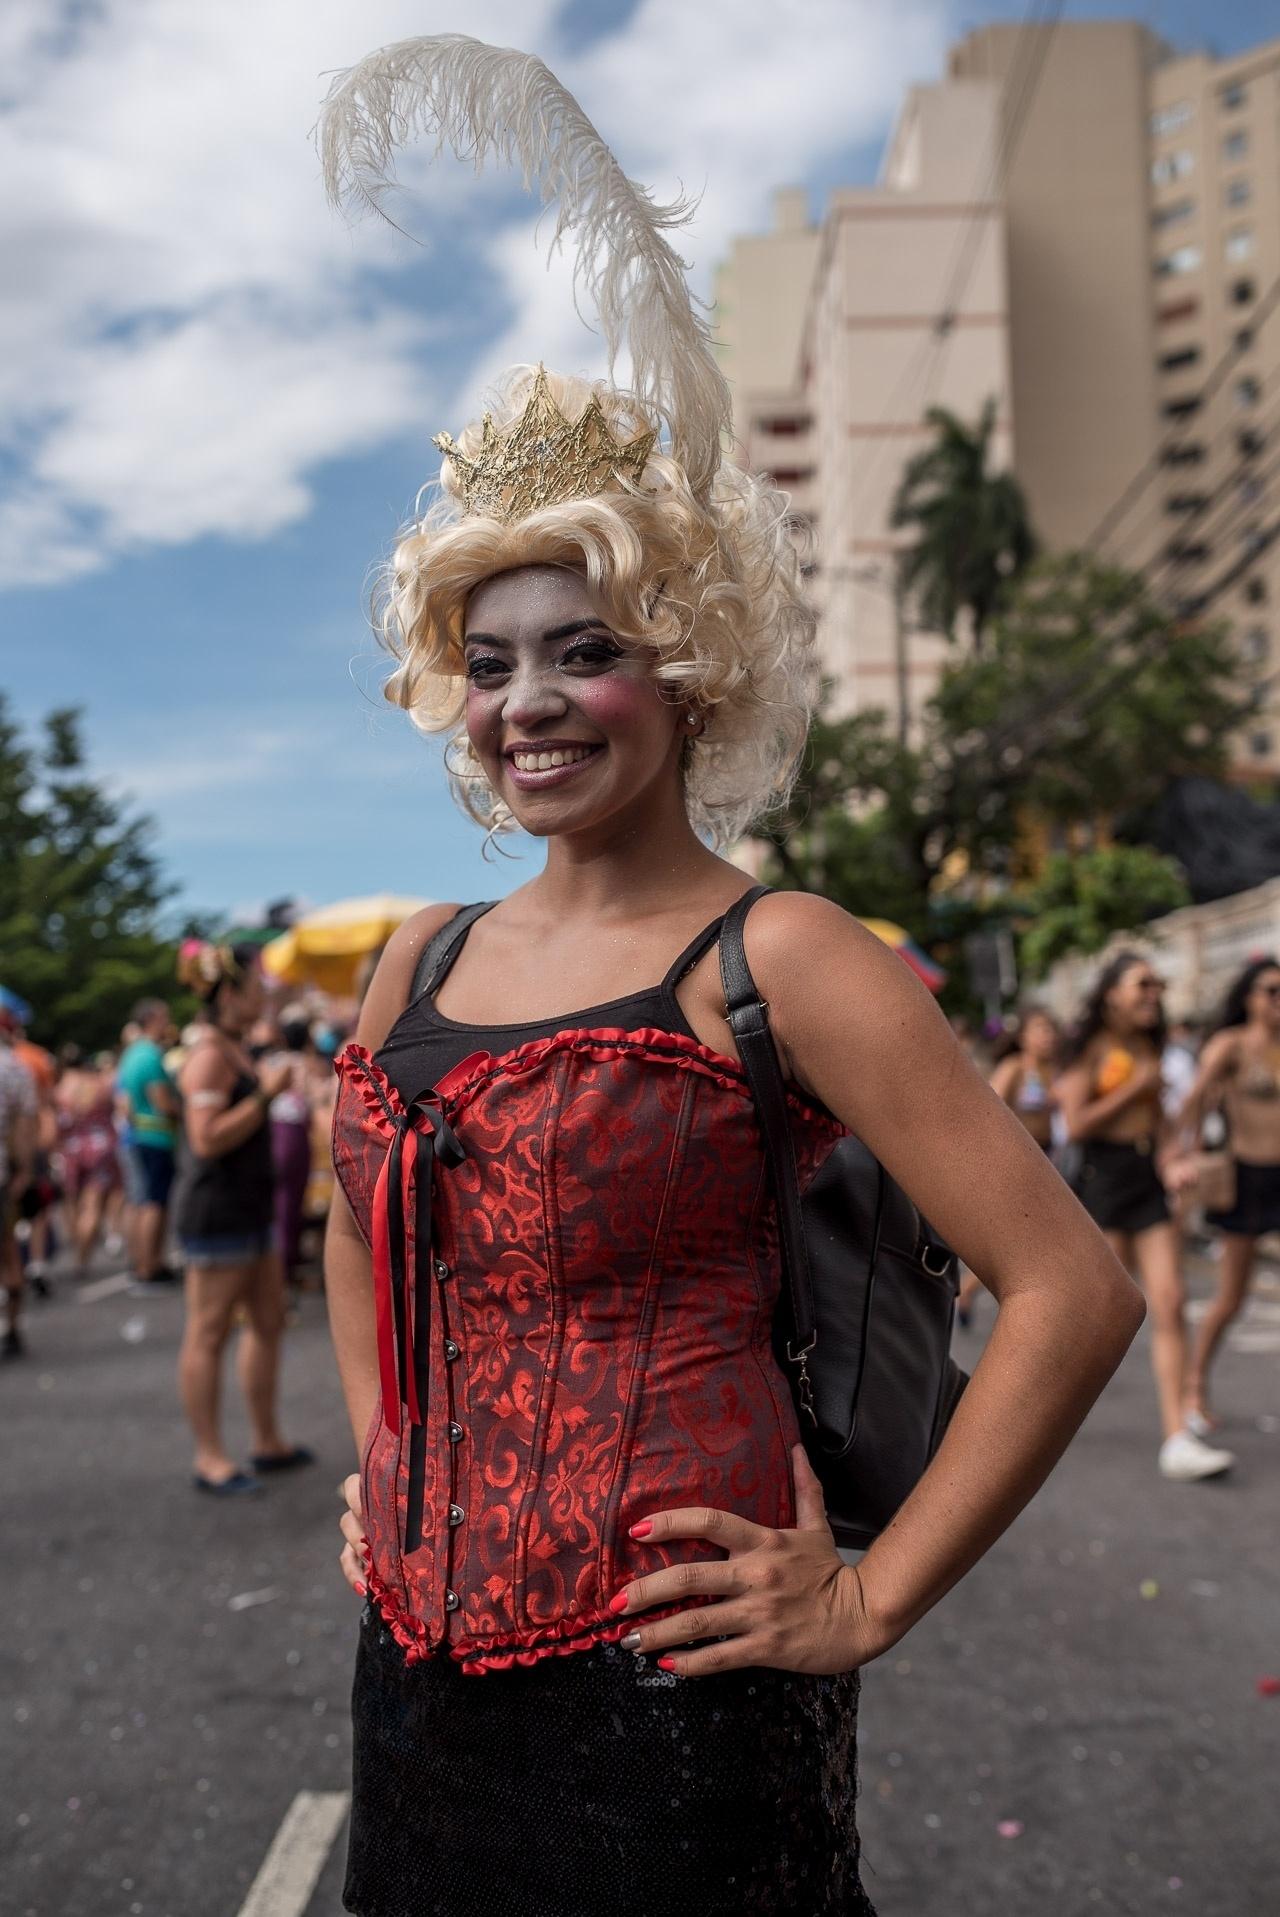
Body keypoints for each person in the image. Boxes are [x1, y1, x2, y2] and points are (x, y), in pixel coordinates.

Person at [316, 37, 1145, 1917]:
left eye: (583, 648)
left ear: (682, 670)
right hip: (415, 1687)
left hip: (684, 1699)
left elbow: (1070, 1285)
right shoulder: (415, 963)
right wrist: (389, 1452)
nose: (531, 702)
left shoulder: (782, 953)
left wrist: (866, 1593)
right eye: (495, 659)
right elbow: (355, 1221)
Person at [1055, 951, 1233, 1482]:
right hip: (1102, 1177)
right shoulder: (1088, 1048)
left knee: (1172, 1300)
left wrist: (1174, 1160)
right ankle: (1034, 1408)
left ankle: (1176, 1434)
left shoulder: (1149, 1048)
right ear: (1111, 993)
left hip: (1144, 1176)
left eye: (1157, 984)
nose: (1154, 992)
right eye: (1143, 984)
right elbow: (1078, 1122)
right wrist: (1138, 1085)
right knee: (1103, 1310)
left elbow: (1160, 1127)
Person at [173, 941, 312, 1495]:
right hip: (217, 1212)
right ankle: (210, 1457)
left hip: (251, 1207)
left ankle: (266, 1440)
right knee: (208, 1332)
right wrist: (265, 1098)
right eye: (255, 985)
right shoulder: (209, 1053)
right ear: (228, 993)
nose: (264, 994)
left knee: (268, 1320)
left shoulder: (232, 1047)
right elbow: (205, 1139)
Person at [1170, 956, 1280, 1435]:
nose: (1279, 1000)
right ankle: (1195, 1385)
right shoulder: (1232, 1045)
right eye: (1271, 991)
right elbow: (1193, 1102)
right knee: (1231, 1298)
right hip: (1248, 1179)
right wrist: (1179, 1155)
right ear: (1250, 998)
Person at [957, 1007, 1061, 1324]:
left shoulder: (1052, 1070)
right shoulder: (1015, 1067)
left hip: (1049, 1158)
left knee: (1037, 1239)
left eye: (1050, 1029)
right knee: (1027, 1239)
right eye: (1041, 1029)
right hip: (1021, 1160)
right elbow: (991, 1107)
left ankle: (975, 1290)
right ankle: (977, 1291)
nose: (1048, 1036)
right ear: (1024, 1036)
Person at [116, 1000, 180, 1287]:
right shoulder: (150, 1055)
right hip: (156, 1138)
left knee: (143, 1201)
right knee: (155, 1203)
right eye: (164, 1017)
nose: (168, 1023)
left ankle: (144, 1262)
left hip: (140, 1136)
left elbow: (126, 1104)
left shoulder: (131, 1054)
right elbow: (163, 1103)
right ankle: (150, 1265)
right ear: (152, 1020)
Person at [53, 1045, 122, 1275]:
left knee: (72, 1203)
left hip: (69, 1150)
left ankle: (78, 1250)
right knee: (92, 1205)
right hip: (100, 1146)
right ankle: (83, 1257)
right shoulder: (99, 1085)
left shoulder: (61, 1088)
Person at [265, 1008, 315, 1286]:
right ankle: (286, 1264)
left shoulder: (274, 1061)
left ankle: (283, 1262)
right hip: (294, 1134)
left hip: (276, 1131)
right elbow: (311, 1097)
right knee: (291, 1200)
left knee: (282, 1200)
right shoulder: (304, 1064)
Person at [0, 1003, 38, 1357]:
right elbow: (25, 1127)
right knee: (10, 1254)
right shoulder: (15, 1068)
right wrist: (24, 1170)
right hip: (2, 1175)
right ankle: (11, 1329)